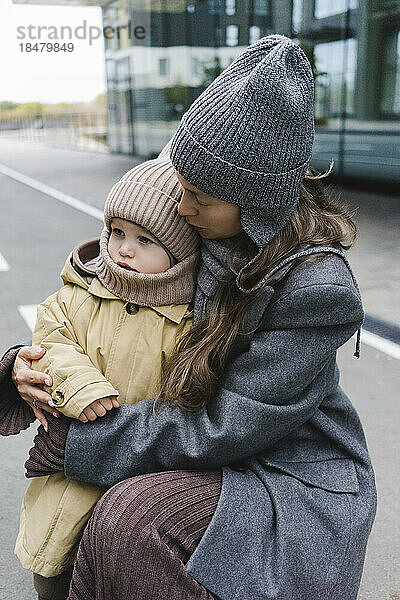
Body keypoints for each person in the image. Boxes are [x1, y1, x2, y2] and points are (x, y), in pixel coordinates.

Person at [0, 35, 377, 600]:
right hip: (204, 443)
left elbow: (225, 427)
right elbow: (99, 307)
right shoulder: (199, 233)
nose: (181, 208)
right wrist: (20, 367)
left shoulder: (315, 290)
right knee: (90, 522)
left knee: (134, 519)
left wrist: (84, 444)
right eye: (182, 185)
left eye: (201, 197)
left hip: (283, 470)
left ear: (255, 199)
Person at [6, 156, 200, 599]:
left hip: (138, 463)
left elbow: (194, 394)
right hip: (69, 460)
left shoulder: (188, 321)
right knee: (52, 558)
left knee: (112, 560)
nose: (124, 249)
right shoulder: (79, 293)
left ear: (181, 251)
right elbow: (51, 342)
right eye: (117, 233)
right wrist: (79, 387)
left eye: (145, 240)